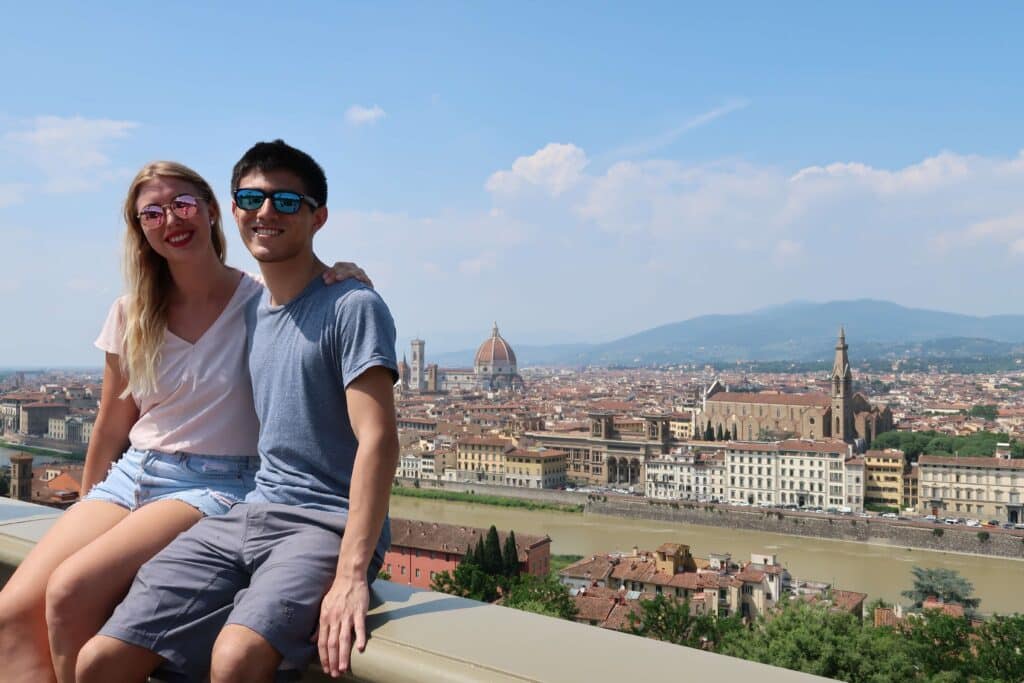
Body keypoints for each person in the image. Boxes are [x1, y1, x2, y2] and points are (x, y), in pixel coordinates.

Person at [0, 160, 370, 683]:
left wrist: (344, 273)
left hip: (215, 482)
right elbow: (110, 426)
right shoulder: (132, 312)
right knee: (12, 610)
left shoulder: (259, 300)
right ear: (140, 230)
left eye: (183, 204)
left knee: (70, 589)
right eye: (152, 212)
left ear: (213, 211)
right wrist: (88, 512)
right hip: (131, 475)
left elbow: (310, 290)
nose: (170, 218)